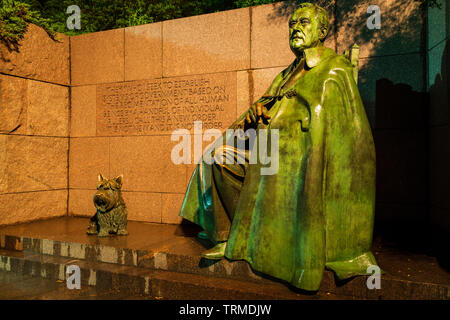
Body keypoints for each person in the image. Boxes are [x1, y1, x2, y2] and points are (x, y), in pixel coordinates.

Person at [179, 2, 379, 291]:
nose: (295, 28)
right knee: (217, 157)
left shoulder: (334, 68)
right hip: (268, 151)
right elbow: (263, 107)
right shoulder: (286, 73)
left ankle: (262, 239)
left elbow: (338, 127)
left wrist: (284, 125)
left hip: (301, 158)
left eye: (304, 23)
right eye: (292, 23)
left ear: (322, 31)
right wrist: (255, 114)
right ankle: (232, 236)